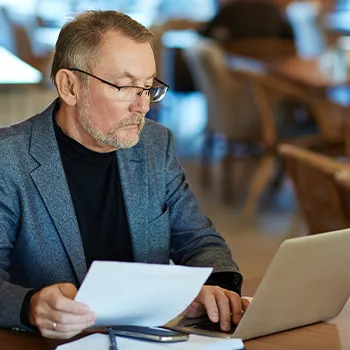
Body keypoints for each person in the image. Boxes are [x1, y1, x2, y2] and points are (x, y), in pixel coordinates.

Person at [0, 11, 248, 340]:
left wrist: (215, 286)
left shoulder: (155, 146)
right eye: (125, 87)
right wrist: (29, 305)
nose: (142, 106)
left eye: (147, 88)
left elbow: (199, 241)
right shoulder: (9, 159)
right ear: (69, 87)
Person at [201, 0, 294, 43]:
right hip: (269, 67)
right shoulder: (271, 9)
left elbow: (205, 33)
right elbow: (289, 36)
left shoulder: (230, 9)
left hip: (237, 68)